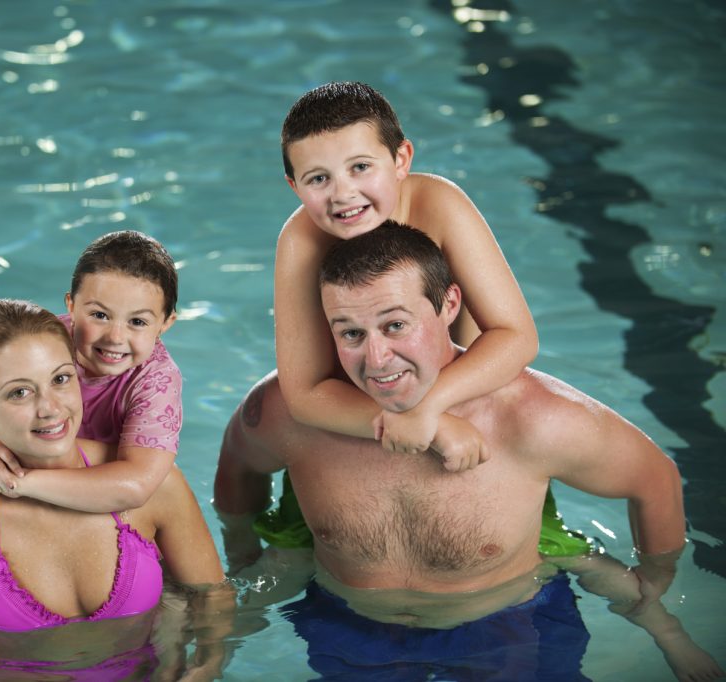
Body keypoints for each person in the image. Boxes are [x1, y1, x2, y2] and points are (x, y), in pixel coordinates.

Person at [215, 223, 722, 681]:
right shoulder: (291, 412)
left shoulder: (532, 418)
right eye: (351, 333)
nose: (376, 359)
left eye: (395, 325)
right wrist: (240, 548)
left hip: (510, 625)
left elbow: (654, 478)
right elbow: (239, 463)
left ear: (449, 305)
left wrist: (656, 585)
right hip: (347, 624)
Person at [261, 80, 589, 556]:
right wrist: (422, 425)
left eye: (360, 167)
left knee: (529, 556)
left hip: (463, 404)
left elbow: (516, 337)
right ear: (294, 186)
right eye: (319, 179)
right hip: (357, 417)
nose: (343, 194)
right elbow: (305, 396)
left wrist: (428, 410)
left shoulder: (440, 206)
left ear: (400, 159)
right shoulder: (301, 241)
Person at [0, 299, 230, 678]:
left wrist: (204, 667)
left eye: (61, 379)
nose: (49, 408)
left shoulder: (149, 486)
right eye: (20, 393)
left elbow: (212, 595)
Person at [0, 230, 183, 513]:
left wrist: (18, 483)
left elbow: (136, 486)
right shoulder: (44, 343)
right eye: (99, 315)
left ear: (166, 323)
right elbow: (0, 399)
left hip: (106, 491)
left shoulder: (156, 379)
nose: (115, 337)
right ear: (71, 305)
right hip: (50, 465)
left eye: (138, 322)